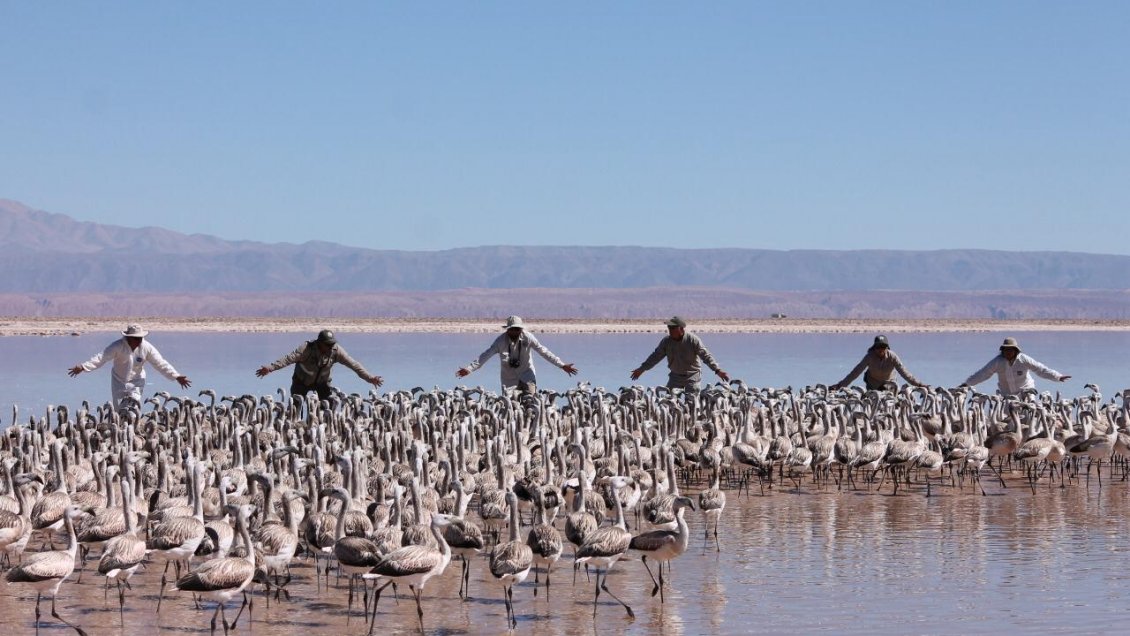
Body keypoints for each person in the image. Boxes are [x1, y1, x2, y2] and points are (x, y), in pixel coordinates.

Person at [68, 324, 191, 408]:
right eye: (135, 338)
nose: (139, 341)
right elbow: (101, 357)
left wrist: (176, 376)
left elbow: (160, 363)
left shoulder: (147, 347)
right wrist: (83, 367)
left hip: (137, 381)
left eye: (140, 338)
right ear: (128, 337)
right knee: (119, 409)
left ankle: (133, 430)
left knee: (134, 406)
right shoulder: (117, 346)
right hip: (118, 381)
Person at [456, 316, 578, 393]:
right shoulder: (500, 341)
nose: (515, 331)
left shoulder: (528, 337)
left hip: (527, 376)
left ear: (521, 329)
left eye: (517, 329)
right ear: (507, 329)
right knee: (509, 407)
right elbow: (484, 356)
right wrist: (469, 369)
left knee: (531, 401)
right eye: (512, 329)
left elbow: (544, 352)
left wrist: (562, 365)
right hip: (509, 379)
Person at [256, 329, 383, 401]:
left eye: (332, 344)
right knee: (295, 407)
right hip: (301, 383)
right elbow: (288, 358)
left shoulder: (336, 350)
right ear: (320, 343)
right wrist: (271, 368)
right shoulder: (307, 349)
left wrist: (370, 378)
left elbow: (354, 364)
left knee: (326, 406)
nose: (330, 346)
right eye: (327, 344)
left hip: (322, 384)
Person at [630, 316, 730, 391]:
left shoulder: (692, 340)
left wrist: (717, 370)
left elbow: (706, 356)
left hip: (692, 376)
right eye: (669, 327)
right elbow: (655, 357)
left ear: (681, 329)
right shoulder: (666, 341)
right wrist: (641, 369)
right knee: (669, 402)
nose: (670, 330)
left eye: (673, 328)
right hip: (675, 376)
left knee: (691, 404)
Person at [960, 337, 1071, 397]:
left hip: (1026, 392)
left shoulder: (1024, 359)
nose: (1008, 352)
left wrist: (1058, 376)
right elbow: (983, 374)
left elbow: (1040, 369)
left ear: (1015, 350)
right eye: (1005, 349)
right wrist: (967, 384)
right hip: (1006, 394)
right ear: (1002, 350)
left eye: (1010, 349)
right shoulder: (997, 362)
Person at [830, 335, 927, 392]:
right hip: (873, 385)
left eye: (883, 347)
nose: (881, 349)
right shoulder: (869, 356)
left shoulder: (893, 357)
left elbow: (905, 373)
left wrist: (919, 385)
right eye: (878, 347)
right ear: (874, 347)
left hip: (889, 385)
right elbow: (856, 372)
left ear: (887, 348)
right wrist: (840, 385)